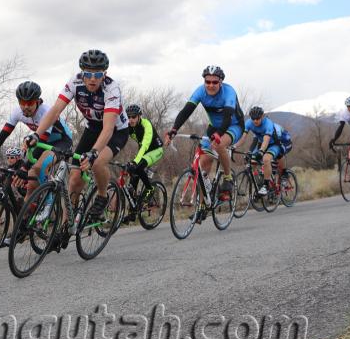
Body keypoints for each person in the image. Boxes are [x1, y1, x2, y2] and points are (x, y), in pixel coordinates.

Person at [26, 49, 129, 250]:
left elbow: (108, 128)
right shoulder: (75, 82)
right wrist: (37, 134)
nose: (92, 79)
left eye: (97, 74)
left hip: (115, 130)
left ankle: (101, 195)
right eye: (87, 73)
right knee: (74, 179)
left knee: (98, 161)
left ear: (104, 74)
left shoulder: (111, 89)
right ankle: (66, 226)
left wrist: (93, 153)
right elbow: (55, 110)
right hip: (92, 127)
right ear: (81, 72)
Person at [0, 81, 72, 200]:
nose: (25, 107)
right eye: (22, 103)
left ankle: (48, 203)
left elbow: (43, 142)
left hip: (62, 141)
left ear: (37, 101)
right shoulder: (17, 112)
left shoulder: (46, 112)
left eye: (29, 103)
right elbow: (2, 135)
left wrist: (25, 167)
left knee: (38, 166)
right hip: (41, 141)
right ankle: (26, 213)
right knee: (30, 183)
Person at [164, 65, 244, 199]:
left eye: (215, 82)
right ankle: (203, 204)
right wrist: (174, 129)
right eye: (208, 82)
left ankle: (228, 177)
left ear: (221, 82)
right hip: (214, 127)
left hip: (233, 125)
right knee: (203, 164)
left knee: (219, 145)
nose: (211, 85)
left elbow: (228, 116)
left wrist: (219, 134)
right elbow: (186, 111)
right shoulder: (200, 91)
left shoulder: (229, 92)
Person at [232, 106, 292, 196]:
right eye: (253, 118)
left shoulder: (268, 124)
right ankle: (259, 183)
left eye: (257, 118)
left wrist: (261, 151)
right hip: (263, 143)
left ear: (262, 116)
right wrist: (234, 146)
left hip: (275, 143)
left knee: (266, 159)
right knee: (252, 161)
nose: (255, 121)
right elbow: (243, 137)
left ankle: (267, 184)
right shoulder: (249, 123)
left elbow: (266, 140)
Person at [123, 104, 164, 222]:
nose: (131, 119)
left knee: (138, 167)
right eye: (128, 117)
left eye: (133, 117)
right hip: (143, 151)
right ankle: (132, 212)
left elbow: (145, 144)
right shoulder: (128, 125)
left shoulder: (146, 125)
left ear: (139, 116)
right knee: (132, 181)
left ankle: (149, 188)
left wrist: (135, 161)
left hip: (155, 150)